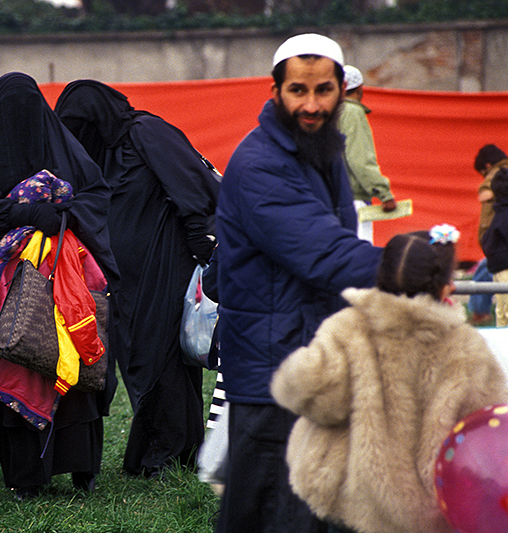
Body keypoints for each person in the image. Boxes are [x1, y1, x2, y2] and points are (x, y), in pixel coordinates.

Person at [215, 33, 383, 533]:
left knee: (318, 506)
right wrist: (402, 264)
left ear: (342, 91)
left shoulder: (323, 148)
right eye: (298, 91)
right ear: (275, 93)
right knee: (270, 510)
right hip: (272, 373)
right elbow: (323, 252)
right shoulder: (260, 163)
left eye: (323, 90)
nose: (311, 105)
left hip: (314, 361)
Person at [271, 225, 508, 533]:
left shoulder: (348, 328)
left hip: (352, 495)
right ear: (447, 286)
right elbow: (487, 428)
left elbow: (310, 393)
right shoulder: (466, 348)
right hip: (432, 506)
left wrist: (297, 372)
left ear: (380, 276)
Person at [0, 72, 120, 500]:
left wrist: (60, 215)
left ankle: (75, 470)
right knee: (19, 354)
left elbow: (95, 196)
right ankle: (31, 475)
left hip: (67, 272)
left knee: (69, 357)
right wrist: (28, 215)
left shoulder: (61, 146)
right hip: (10, 281)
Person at [54, 80, 221, 478]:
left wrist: (201, 239)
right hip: (126, 277)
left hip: (165, 265)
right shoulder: (100, 153)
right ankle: (156, 448)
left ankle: (172, 451)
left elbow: (191, 184)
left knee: (159, 355)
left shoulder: (145, 133)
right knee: (137, 358)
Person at [338, 64, 397, 243]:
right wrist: (383, 193)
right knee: (358, 254)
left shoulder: (330, 113)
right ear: (360, 88)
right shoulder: (352, 112)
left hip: (334, 198)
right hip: (354, 201)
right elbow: (359, 159)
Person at [469, 144, 508, 323]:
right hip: (499, 247)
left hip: (500, 246)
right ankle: (480, 312)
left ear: (486, 166)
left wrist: (496, 191)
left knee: (485, 274)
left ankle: (479, 313)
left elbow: (484, 194)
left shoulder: (498, 171)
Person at [481, 168, 508, 327]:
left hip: (499, 269)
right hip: (506, 269)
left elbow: (487, 242)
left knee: (502, 312)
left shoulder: (498, 213)